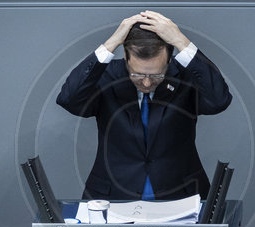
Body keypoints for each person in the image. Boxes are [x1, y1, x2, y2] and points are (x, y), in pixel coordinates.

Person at [57, 10, 232, 200]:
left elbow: (219, 99)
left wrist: (182, 42)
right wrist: (111, 43)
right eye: (137, 75)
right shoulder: (106, 76)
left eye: (156, 75)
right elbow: (69, 99)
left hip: (181, 197)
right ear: (125, 56)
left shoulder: (184, 77)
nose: (147, 83)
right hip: (112, 197)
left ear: (168, 59)